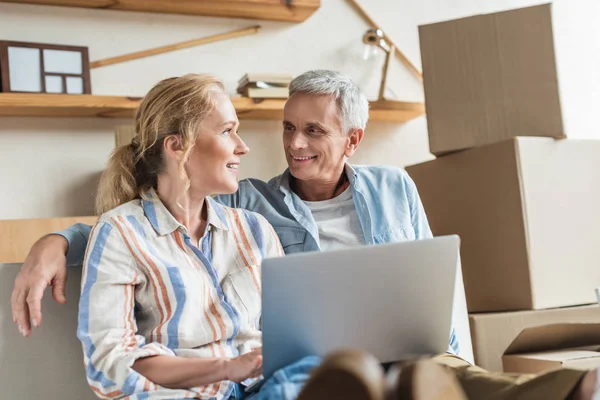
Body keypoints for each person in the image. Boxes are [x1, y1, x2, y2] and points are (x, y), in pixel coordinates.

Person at [10, 70, 600, 400]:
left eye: (313, 131)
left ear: (352, 140)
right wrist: (58, 242)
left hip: (382, 351)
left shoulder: (383, 190)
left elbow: (438, 281)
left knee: (451, 376)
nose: (290, 144)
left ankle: (566, 390)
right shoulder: (252, 202)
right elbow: (144, 220)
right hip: (289, 372)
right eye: (285, 127)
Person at [73, 73, 380, 400]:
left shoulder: (254, 229)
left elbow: (289, 338)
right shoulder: (120, 232)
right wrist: (226, 368)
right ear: (178, 146)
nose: (242, 146)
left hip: (268, 387)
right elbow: (110, 365)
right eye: (227, 131)